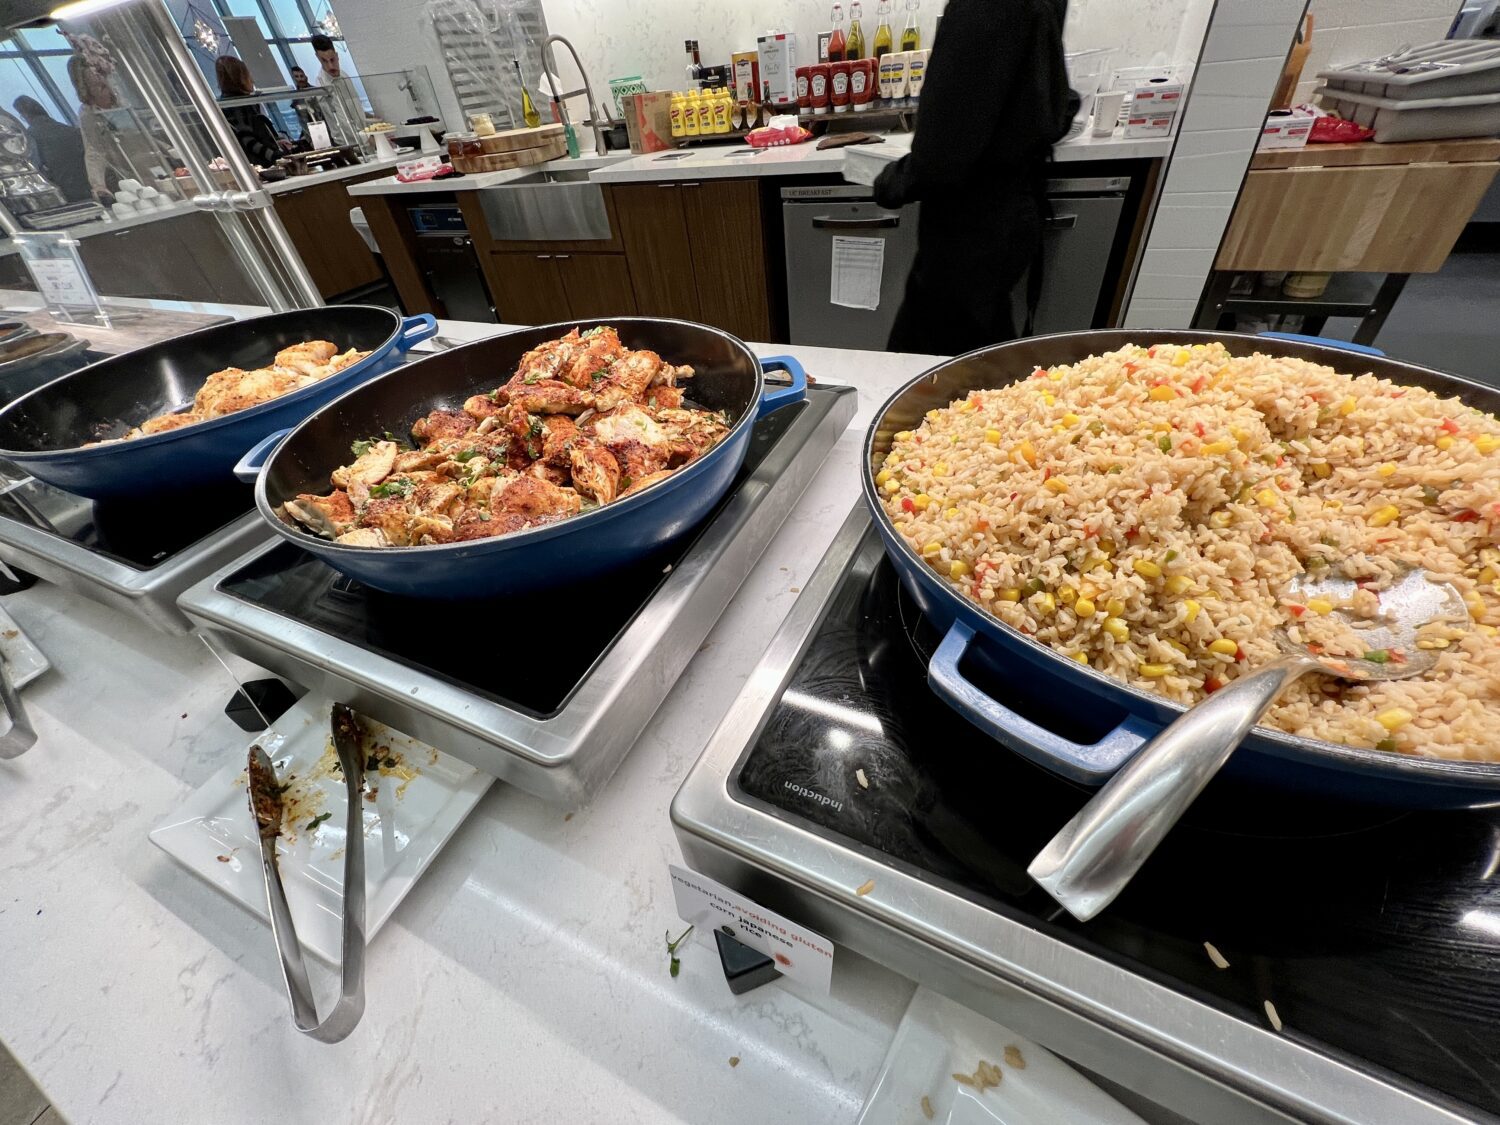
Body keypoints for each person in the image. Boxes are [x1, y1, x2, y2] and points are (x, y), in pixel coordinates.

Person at [873, 0, 1078, 356]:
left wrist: (891, 182)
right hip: (1006, 215)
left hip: (970, 230)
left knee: (930, 366)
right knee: (979, 357)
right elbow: (1057, 106)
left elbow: (941, 155)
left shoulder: (984, 7)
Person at [215, 54, 293, 166]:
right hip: (261, 165)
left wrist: (276, 142)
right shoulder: (238, 106)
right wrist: (276, 156)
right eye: (247, 75)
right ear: (240, 78)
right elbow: (249, 141)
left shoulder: (234, 103)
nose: (251, 80)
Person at [12, 96, 89, 203]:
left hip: (67, 195)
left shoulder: (31, 138)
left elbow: (36, 170)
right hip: (90, 187)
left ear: (24, 115)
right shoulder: (71, 131)